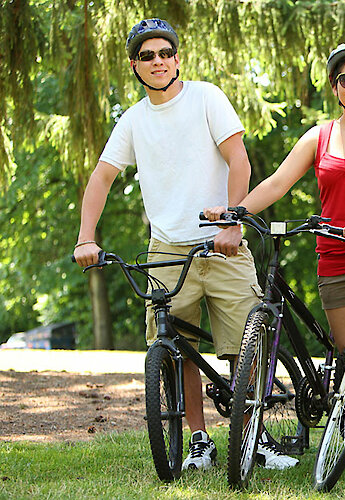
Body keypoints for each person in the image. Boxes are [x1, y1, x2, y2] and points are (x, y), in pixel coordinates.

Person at [73, 18, 297, 471]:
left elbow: (239, 159)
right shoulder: (133, 120)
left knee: (244, 345)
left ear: (177, 59)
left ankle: (255, 436)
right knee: (175, 350)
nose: (158, 61)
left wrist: (234, 223)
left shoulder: (206, 97)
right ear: (135, 65)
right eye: (147, 56)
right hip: (168, 248)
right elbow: (101, 177)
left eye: (165, 53)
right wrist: (85, 237)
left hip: (221, 243)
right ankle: (199, 438)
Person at [203, 41, 345, 480]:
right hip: (335, 258)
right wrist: (235, 212)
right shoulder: (319, 136)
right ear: (335, 86)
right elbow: (278, 182)